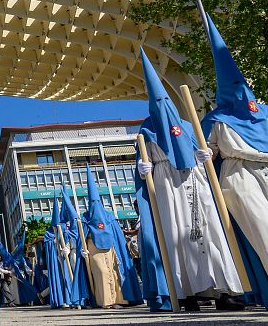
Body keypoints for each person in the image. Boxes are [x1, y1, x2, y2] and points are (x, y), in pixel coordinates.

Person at [136, 48, 245, 312]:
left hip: (195, 180)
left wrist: (205, 155)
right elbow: (141, 165)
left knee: (211, 234)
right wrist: (142, 168)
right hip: (166, 185)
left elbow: (207, 150)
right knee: (176, 236)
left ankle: (224, 291)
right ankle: (186, 293)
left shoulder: (188, 125)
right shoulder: (146, 130)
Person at [201, 16, 268, 308]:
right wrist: (203, 154)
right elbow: (204, 153)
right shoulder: (215, 120)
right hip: (239, 177)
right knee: (263, 231)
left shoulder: (264, 111)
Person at [79, 165, 142, 308]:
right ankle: (104, 301)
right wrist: (82, 250)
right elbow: (81, 237)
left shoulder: (109, 217)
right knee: (100, 274)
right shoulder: (85, 218)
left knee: (115, 274)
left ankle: (120, 299)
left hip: (111, 251)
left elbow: (118, 235)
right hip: (93, 251)